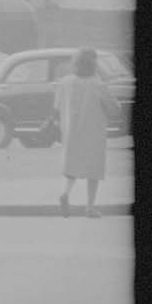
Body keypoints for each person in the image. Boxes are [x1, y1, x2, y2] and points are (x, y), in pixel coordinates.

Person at [53, 48, 120, 218]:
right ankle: (89, 208)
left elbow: (57, 106)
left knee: (72, 168)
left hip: (71, 133)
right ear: (94, 65)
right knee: (93, 171)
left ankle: (65, 194)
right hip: (93, 134)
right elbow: (115, 110)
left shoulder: (64, 83)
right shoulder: (98, 85)